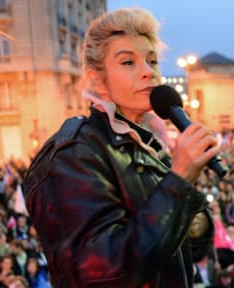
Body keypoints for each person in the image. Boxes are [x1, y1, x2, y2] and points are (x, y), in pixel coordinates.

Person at [22, 8, 219, 287]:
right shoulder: (72, 153)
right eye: (128, 62)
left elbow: (179, 255)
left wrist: (197, 223)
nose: (148, 73)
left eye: (152, 61)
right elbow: (105, 273)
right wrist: (178, 182)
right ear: (96, 80)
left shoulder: (145, 146)